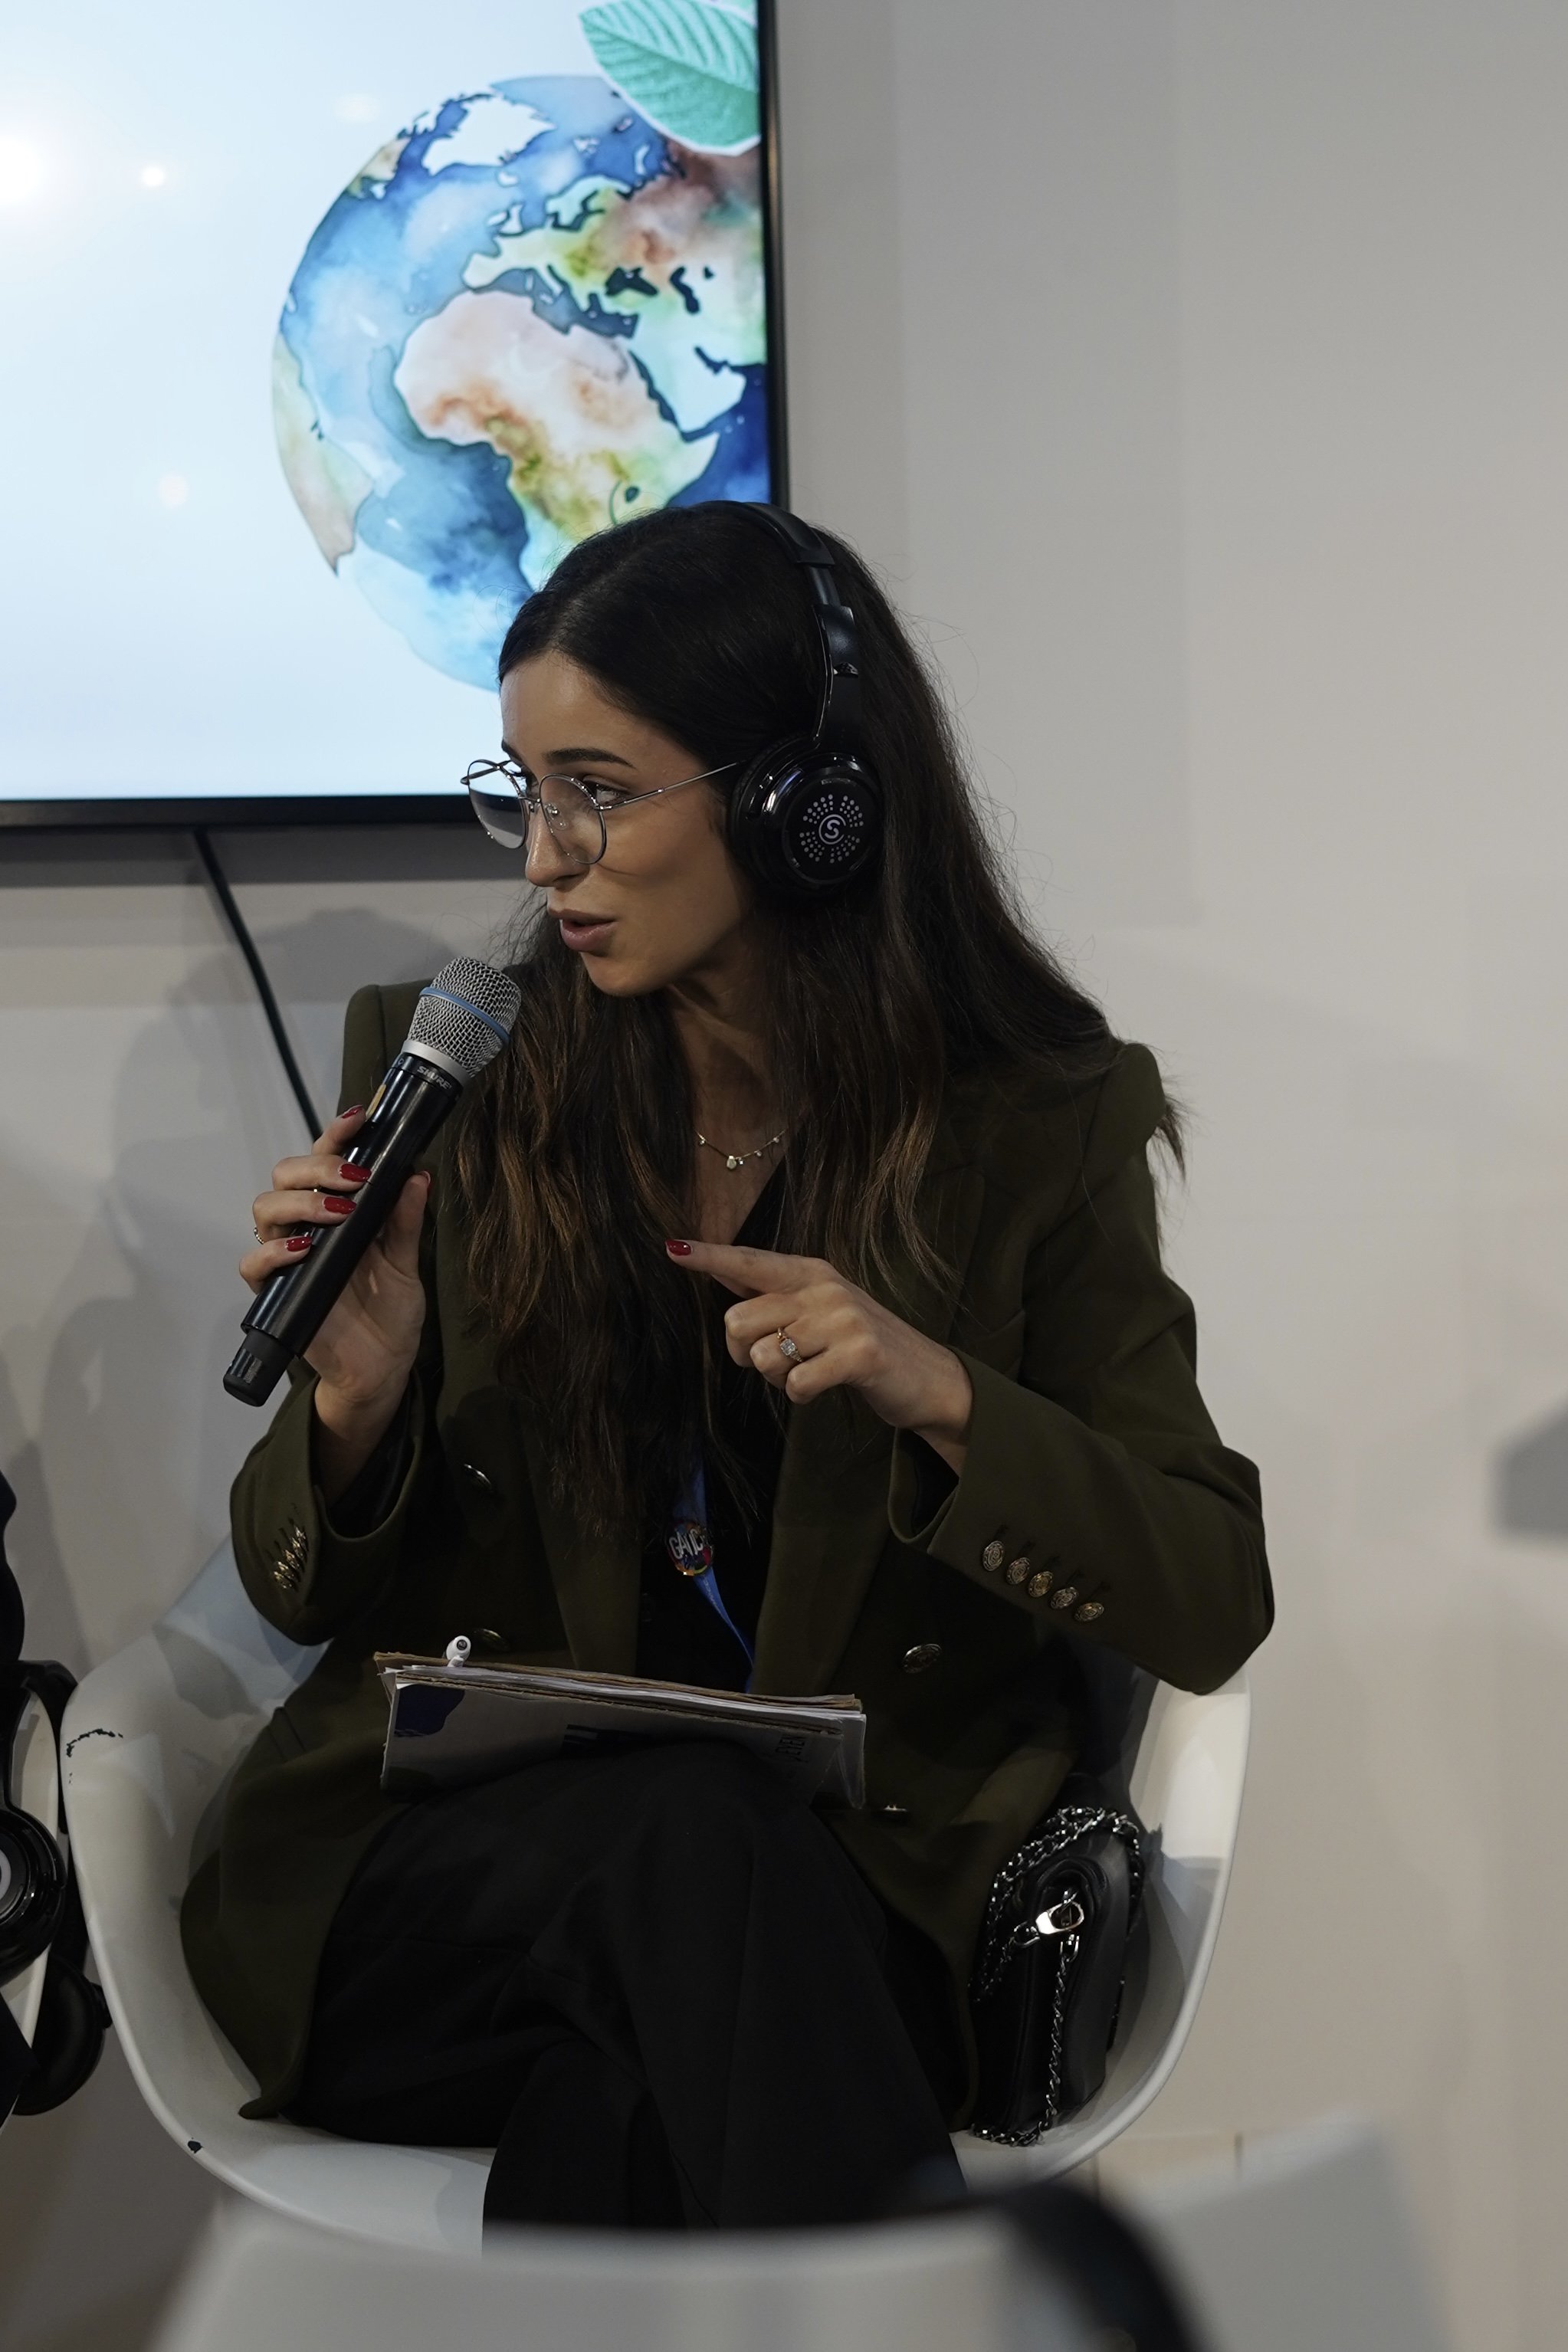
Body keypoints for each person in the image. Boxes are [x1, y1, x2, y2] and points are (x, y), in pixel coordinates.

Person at [182, 502, 1272, 2232]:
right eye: (522, 788)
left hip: (844, 1915)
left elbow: (1209, 1593)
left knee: (630, 2100)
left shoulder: (1039, 1124)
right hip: (452, 1916)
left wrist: (946, 1398)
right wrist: (357, 1392)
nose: (542, 855)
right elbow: (290, 1591)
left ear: (805, 803)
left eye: (598, 792)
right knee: (686, 1851)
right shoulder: (457, 1074)